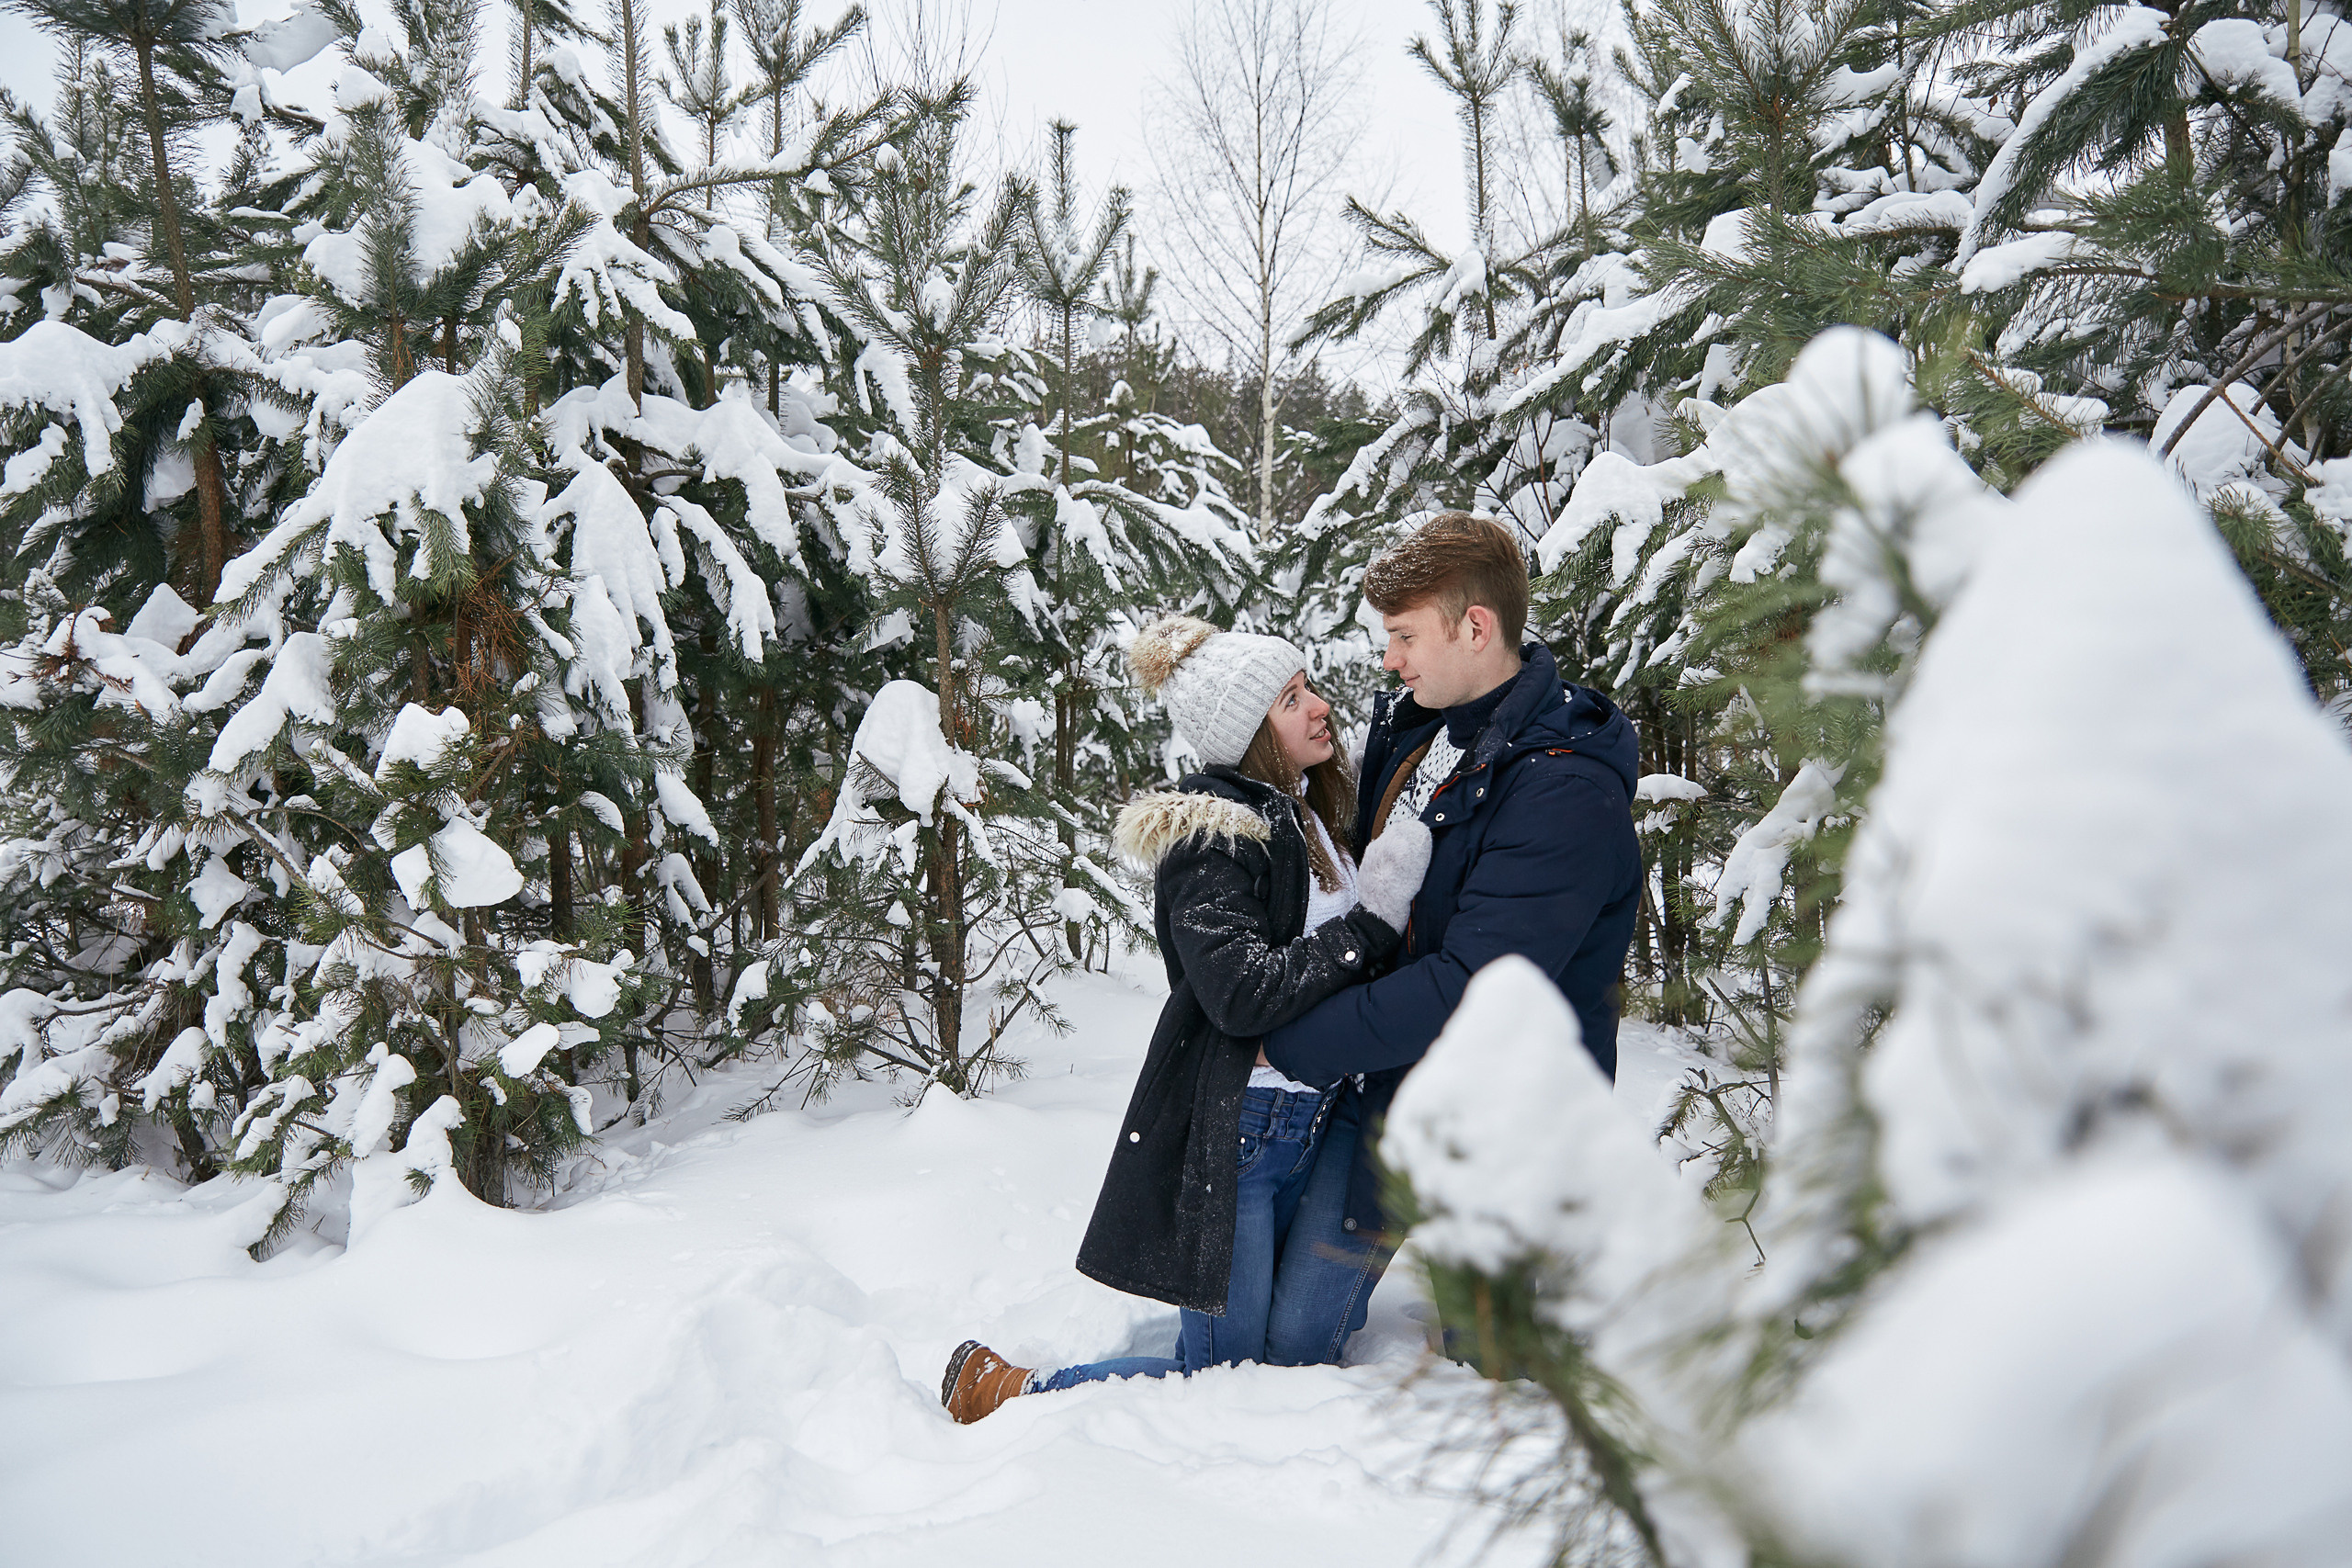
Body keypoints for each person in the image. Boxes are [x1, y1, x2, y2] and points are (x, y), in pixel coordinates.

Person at [940, 614, 1432, 1423]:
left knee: (1297, 1352)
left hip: (1325, 1119)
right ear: (1249, 734)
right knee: (1223, 1372)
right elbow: (1238, 992)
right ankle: (1013, 1390)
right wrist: (1367, 927)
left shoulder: (1311, 816)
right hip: (1244, 1133)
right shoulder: (1213, 832)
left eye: (1308, 685)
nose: (1319, 707)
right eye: (1290, 698)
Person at [1254, 512, 1644, 1365]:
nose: (1389, 658)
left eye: (1403, 635)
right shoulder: (1417, 722)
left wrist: (1290, 1041)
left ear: (1477, 627)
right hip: (1389, 1080)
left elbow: (1469, 984)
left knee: (1488, 1368)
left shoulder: (1565, 793)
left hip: (1498, 1122)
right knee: (1290, 1338)